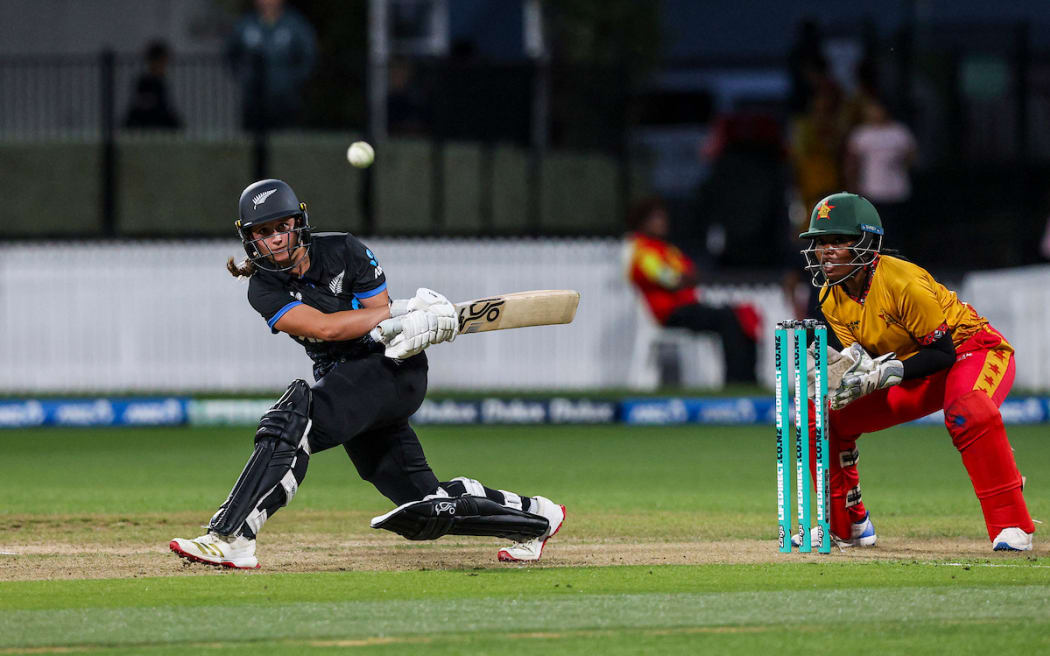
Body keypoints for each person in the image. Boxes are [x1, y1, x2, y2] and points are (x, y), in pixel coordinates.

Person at [169, 179, 565, 569]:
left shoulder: (346, 250)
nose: (274, 239)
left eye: (281, 227)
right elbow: (324, 328)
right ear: (249, 238)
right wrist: (405, 309)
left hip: (392, 369)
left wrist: (413, 324)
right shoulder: (263, 288)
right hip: (346, 382)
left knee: (294, 418)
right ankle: (536, 518)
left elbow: (380, 324)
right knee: (429, 504)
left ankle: (232, 537)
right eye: (263, 232)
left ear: (298, 224)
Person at [796, 191, 1035, 551]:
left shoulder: (902, 281)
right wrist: (848, 369)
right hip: (913, 370)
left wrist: (882, 372)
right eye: (820, 242)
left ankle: (1012, 526)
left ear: (866, 242)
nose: (826, 251)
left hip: (970, 352)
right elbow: (869, 356)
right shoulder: (831, 297)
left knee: (967, 409)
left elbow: (941, 353)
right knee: (823, 416)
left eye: (838, 241)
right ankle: (848, 525)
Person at [626, 197, 759, 385]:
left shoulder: (667, 249)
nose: (663, 222)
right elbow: (671, 279)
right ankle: (736, 380)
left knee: (741, 313)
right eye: (657, 218)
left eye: (663, 218)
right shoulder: (643, 250)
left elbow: (690, 274)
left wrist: (683, 278)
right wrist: (682, 278)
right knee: (727, 318)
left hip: (687, 306)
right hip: (671, 313)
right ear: (643, 222)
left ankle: (749, 378)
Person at [226, 0, 317, 131]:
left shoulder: (295, 24)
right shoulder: (245, 24)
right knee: (253, 141)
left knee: (285, 141)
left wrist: (293, 80)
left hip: (285, 98)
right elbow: (230, 54)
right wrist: (242, 76)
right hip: (253, 99)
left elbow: (308, 55)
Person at [844, 100, 917, 230]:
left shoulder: (899, 132)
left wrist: (900, 166)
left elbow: (911, 155)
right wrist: (853, 187)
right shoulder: (861, 134)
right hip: (872, 190)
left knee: (897, 228)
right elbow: (852, 163)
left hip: (897, 190)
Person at [122, 40, 182, 130]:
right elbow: (146, 106)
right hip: (148, 123)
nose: (165, 66)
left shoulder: (160, 81)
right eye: (163, 61)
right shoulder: (146, 82)